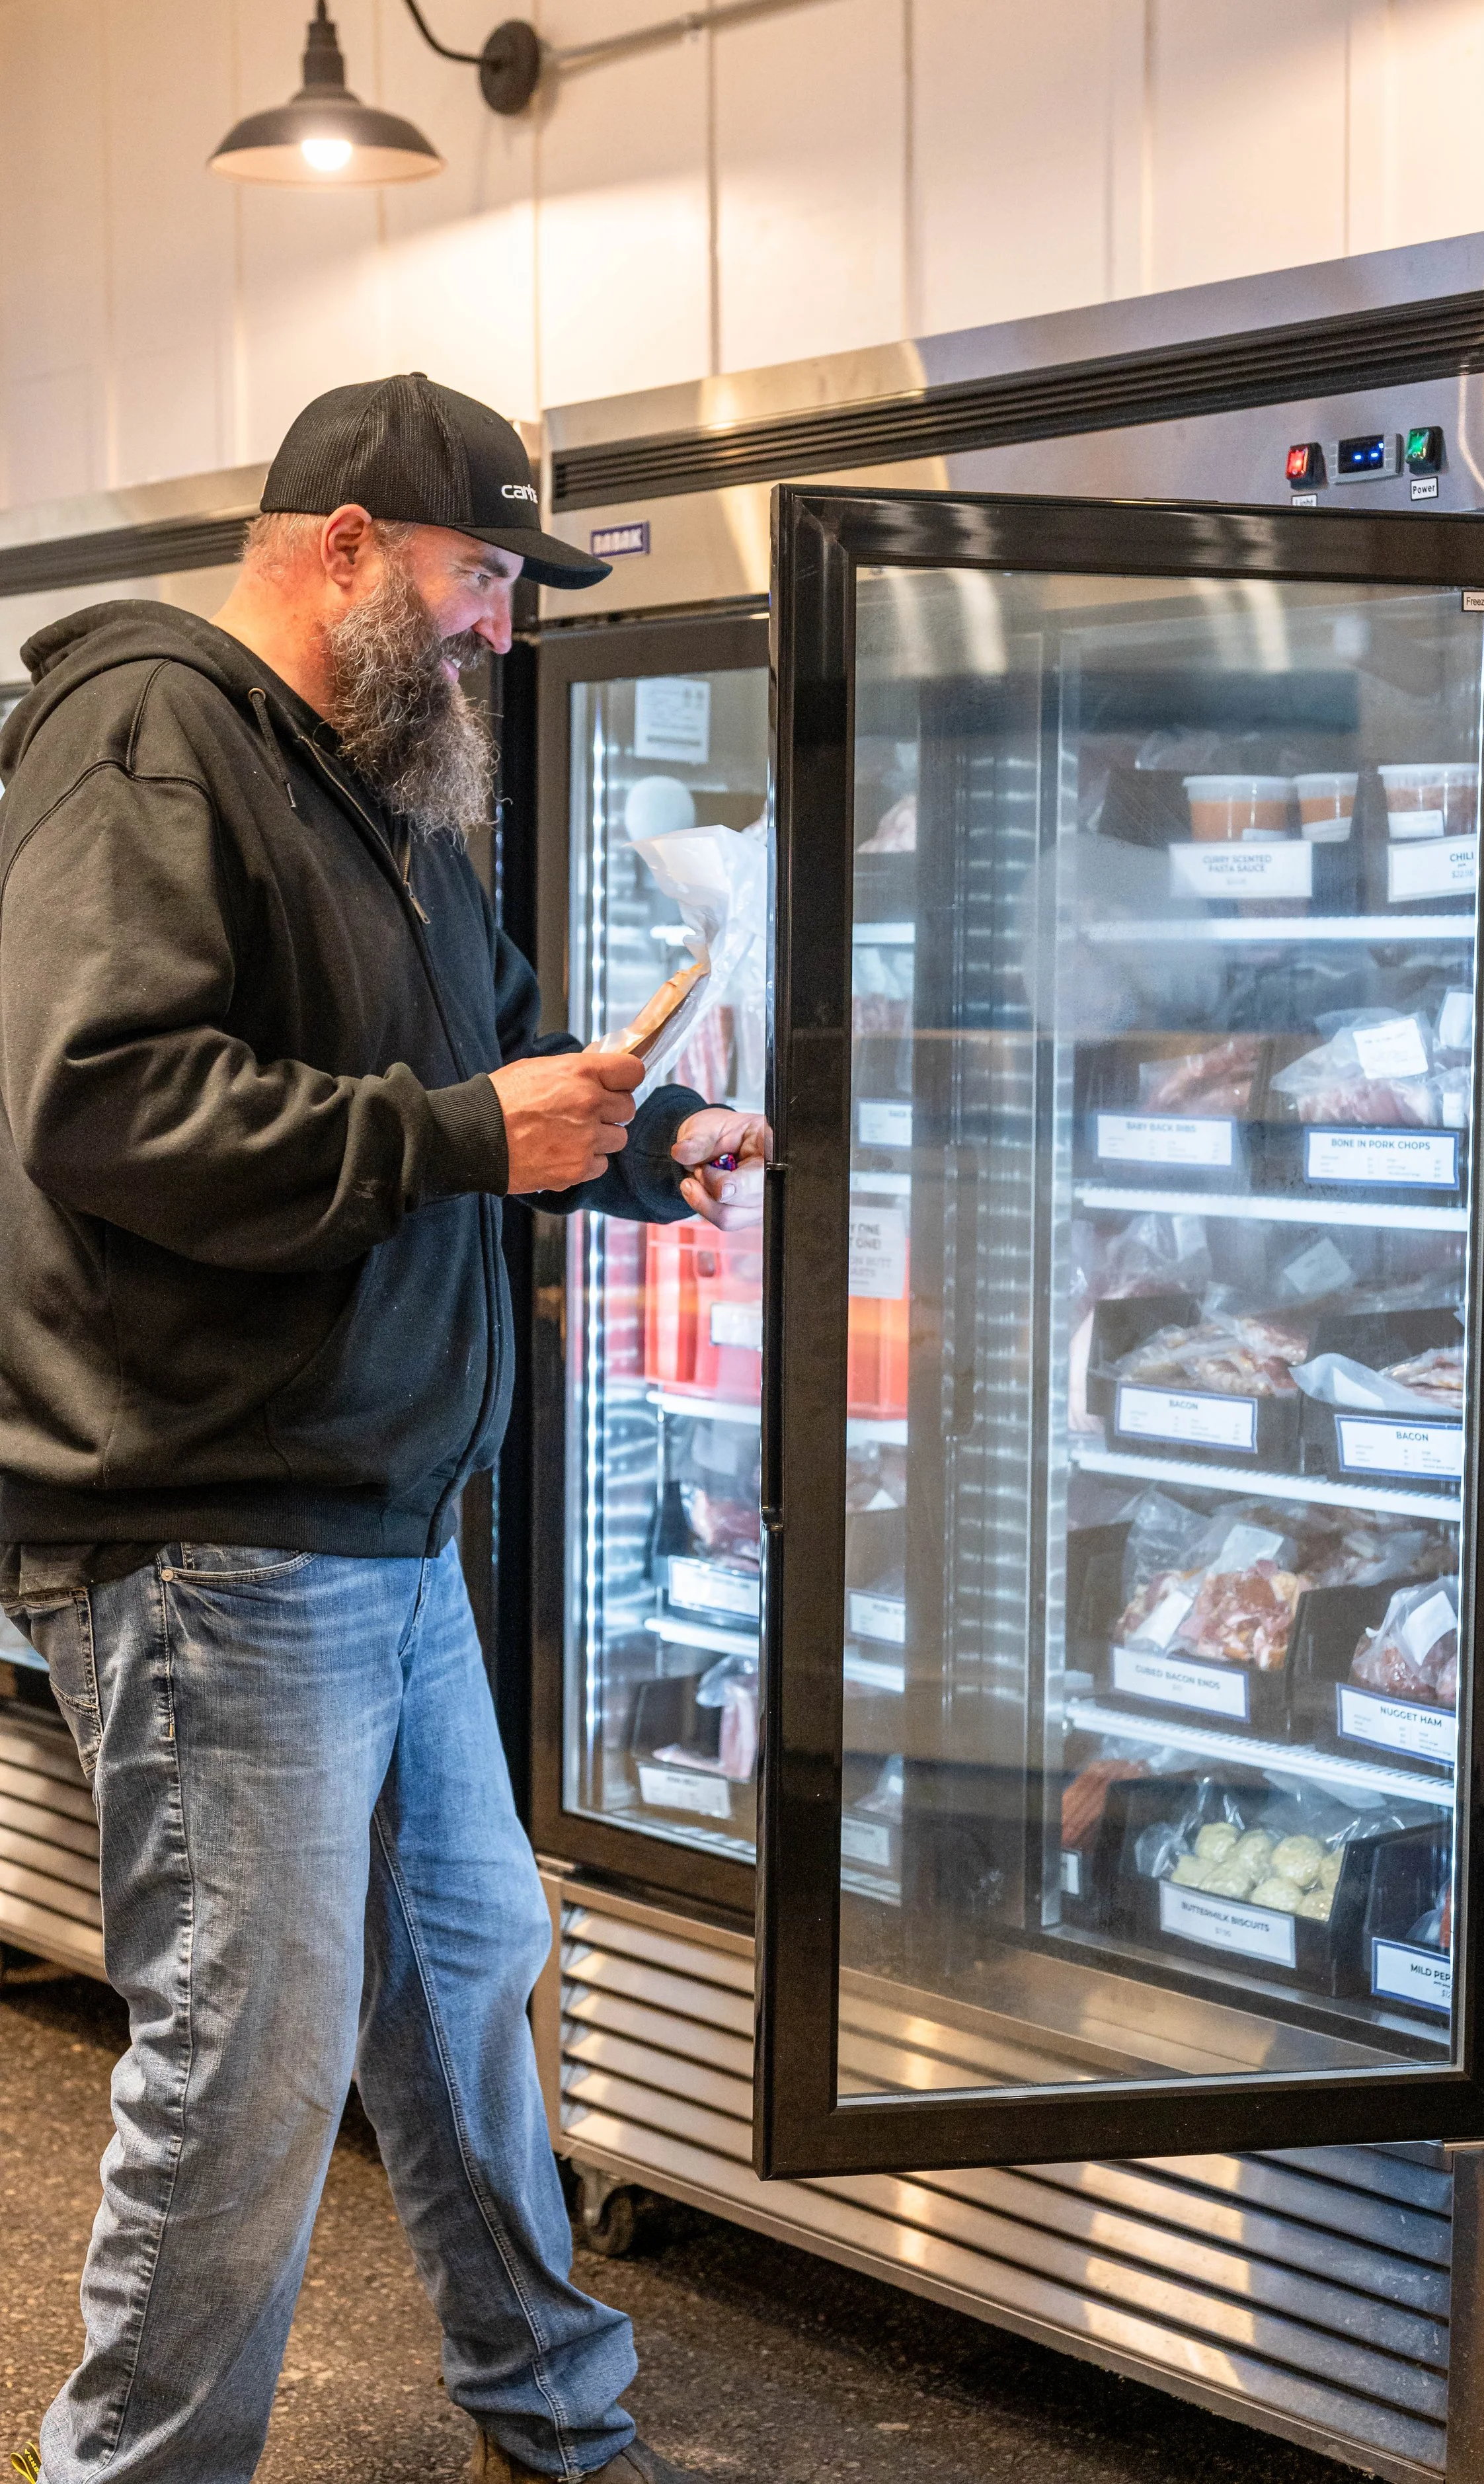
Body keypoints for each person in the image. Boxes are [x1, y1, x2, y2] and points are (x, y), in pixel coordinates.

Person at [0, 376, 762, 2484]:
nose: (502, 621)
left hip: (374, 1510)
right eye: (481, 573)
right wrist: (455, 1131)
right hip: (214, 1516)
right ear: (343, 544)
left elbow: (495, 1072)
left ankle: (554, 2402)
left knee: (463, 1959)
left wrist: (652, 1138)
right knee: (249, 2064)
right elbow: (101, 1096)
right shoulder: (150, 734)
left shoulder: (382, 787)